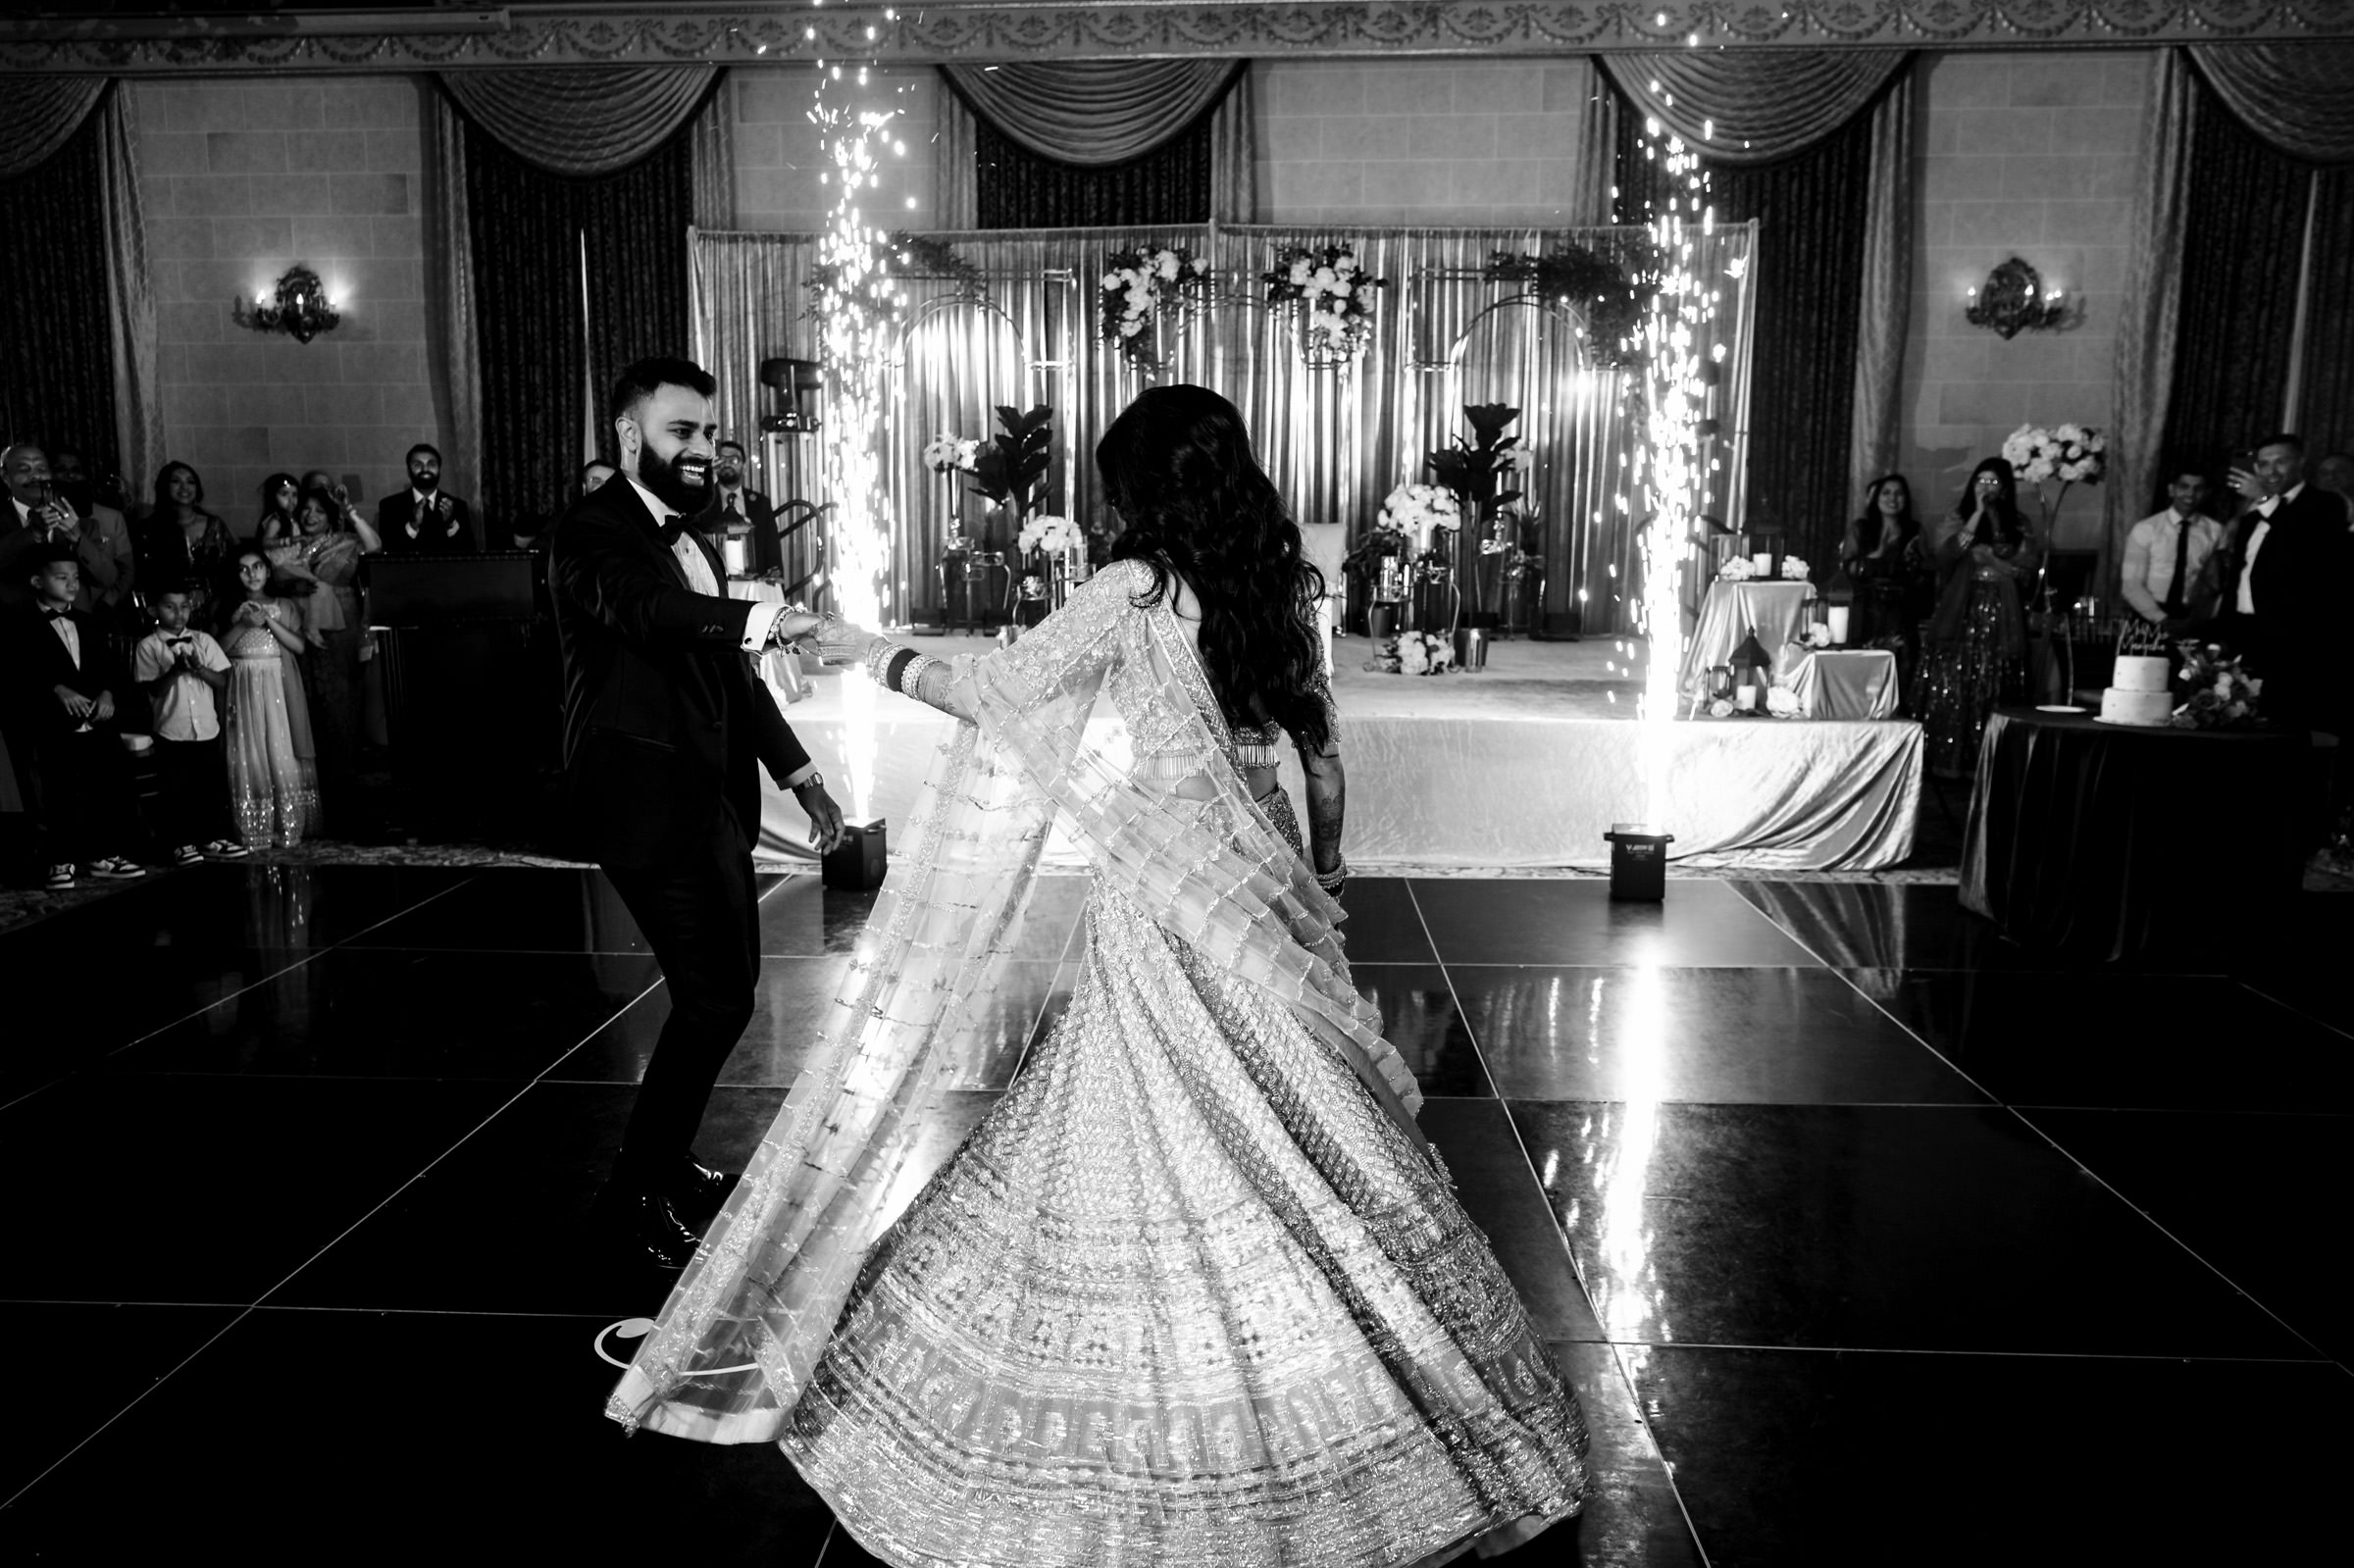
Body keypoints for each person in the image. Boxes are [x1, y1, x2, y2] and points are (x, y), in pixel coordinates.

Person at [607, 385, 1590, 1566]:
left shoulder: (1130, 594)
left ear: (1144, 494)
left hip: (1165, 887)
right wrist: (1323, 875)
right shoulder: (1278, 591)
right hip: (1260, 875)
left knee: (1154, 1095)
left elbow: (997, 696)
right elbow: (1321, 750)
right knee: (1299, 1101)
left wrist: (876, 653)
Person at [549, 356, 848, 1268]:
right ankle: (628, 1201)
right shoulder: (592, 533)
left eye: (709, 434)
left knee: (723, 995)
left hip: (710, 801)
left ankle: (667, 1166)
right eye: (682, 432)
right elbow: (649, 614)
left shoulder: (690, 533)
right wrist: (764, 619)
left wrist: (800, 775)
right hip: (643, 802)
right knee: (715, 998)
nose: (702, 450)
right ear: (631, 435)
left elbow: (721, 663)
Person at [6, 546, 146, 890]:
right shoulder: (19, 622)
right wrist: (55, 688)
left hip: (96, 719)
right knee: (59, 792)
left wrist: (108, 694)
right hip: (51, 723)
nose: (71, 584)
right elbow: (15, 671)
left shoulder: (88, 621)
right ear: (38, 581)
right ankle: (60, 859)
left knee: (104, 786)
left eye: (76, 577)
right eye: (61, 577)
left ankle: (103, 855)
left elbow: (108, 668)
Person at [2216, 433, 2351, 736]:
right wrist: (2223, 630)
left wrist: (2266, 500)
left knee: (2285, 725)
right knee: (2240, 719)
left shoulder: (2325, 504)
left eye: (2281, 462)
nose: (2271, 472)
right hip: (2245, 632)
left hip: (2292, 638)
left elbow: (2306, 549)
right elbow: (2239, 576)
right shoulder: (2252, 518)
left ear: (2301, 463)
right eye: (2264, 464)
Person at [1918, 456, 2043, 777]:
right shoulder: (1958, 516)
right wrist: (1976, 515)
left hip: (2002, 609)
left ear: (2005, 487)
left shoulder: (2019, 522)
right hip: (1963, 605)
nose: (1986, 487)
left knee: (1996, 677)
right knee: (1956, 677)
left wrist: (1992, 560)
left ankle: (1990, 761)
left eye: (1994, 482)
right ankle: (1949, 760)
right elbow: (1946, 555)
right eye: (1981, 481)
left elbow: (2026, 570)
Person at [268, 486, 380, 813]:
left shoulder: (346, 541)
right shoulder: (289, 548)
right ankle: (311, 797)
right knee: (306, 706)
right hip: (299, 627)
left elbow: (375, 547)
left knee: (340, 707)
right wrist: (291, 582)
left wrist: (351, 511)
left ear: (330, 516)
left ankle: (343, 793)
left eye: (318, 510)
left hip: (340, 629)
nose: (310, 515)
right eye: (306, 510)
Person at [130, 583, 247, 866]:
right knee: (176, 790)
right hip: (172, 728)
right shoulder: (148, 646)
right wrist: (175, 670)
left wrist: (199, 669)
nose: (179, 613)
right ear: (153, 610)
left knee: (209, 787)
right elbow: (153, 690)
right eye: (170, 607)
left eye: (184, 606)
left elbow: (222, 681)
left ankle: (211, 838)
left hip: (207, 727)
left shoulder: (204, 640)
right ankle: (181, 843)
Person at [221, 546, 318, 846]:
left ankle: (287, 824)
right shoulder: (227, 606)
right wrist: (243, 623)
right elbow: (218, 649)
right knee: (248, 748)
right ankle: (254, 828)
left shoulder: (285, 605)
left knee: (281, 746)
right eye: (244, 568)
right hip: (243, 681)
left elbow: (299, 646)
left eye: (258, 566)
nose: (252, 574)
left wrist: (268, 621)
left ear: (267, 570)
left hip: (277, 681)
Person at [1, 443, 132, 620]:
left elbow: (107, 578)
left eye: (41, 468)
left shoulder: (81, 521)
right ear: (5, 477)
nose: (35, 476)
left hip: (74, 628)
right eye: (24, 469)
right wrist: (32, 533)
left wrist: (77, 538)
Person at [2119, 469, 2225, 634]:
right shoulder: (2146, 528)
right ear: (2171, 489)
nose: (2190, 494)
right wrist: (2161, 619)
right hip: (2149, 617)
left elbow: (2216, 584)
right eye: (2184, 486)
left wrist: (2199, 618)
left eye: (2198, 488)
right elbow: (2131, 584)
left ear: (2207, 493)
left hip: (2192, 618)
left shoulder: (2215, 531)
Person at [131, 462, 237, 628]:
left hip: (213, 609)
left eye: (190, 482)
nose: (184, 487)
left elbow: (232, 566)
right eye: (176, 481)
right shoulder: (150, 527)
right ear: (164, 486)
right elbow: (144, 574)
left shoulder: (214, 525)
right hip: (169, 609)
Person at [1838, 473, 1933, 655]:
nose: (1893, 498)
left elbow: (1925, 574)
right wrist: (1877, 554)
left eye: (1899, 493)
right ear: (1876, 498)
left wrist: (1914, 564)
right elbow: (1848, 569)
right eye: (1886, 493)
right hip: (1868, 609)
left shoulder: (1915, 531)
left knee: (1902, 665)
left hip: (1902, 611)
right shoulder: (1861, 528)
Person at [46, 445, 138, 624]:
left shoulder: (111, 518)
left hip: (102, 612)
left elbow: (126, 571)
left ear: (85, 475)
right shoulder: (42, 517)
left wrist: (107, 604)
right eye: (61, 470)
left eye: (75, 470)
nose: (69, 476)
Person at [691, 438, 781, 577]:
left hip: (754, 582)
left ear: (744, 466)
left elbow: (771, 545)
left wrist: (775, 570)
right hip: (714, 579)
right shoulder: (703, 500)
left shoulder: (761, 503)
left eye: (733, 460)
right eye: (722, 460)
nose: (727, 464)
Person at [377, 443, 478, 554]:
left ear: (439, 469)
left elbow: (469, 552)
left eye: (431, 464)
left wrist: (450, 523)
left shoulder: (458, 506)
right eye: (417, 464)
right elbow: (388, 551)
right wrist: (413, 525)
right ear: (408, 470)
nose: (425, 469)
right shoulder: (390, 506)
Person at [253, 473, 301, 546]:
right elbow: (265, 542)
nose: (291, 500)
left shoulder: (293, 518)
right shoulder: (276, 520)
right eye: (284, 494)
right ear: (272, 496)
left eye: (294, 495)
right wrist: (288, 541)